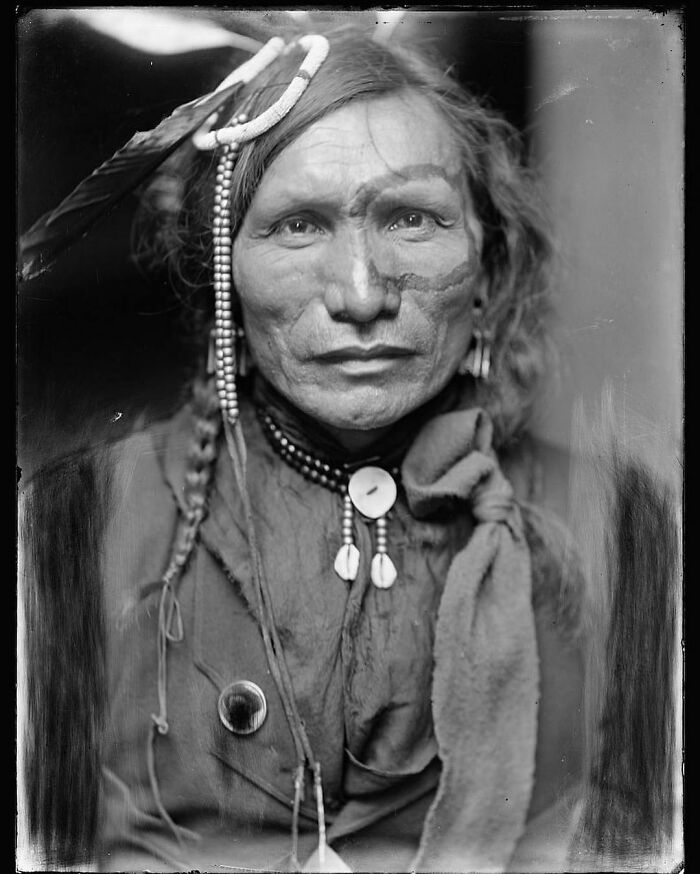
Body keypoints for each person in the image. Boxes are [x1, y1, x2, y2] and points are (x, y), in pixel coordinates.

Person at [19, 24, 678, 874]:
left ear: (488, 261)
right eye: (298, 226)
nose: (361, 293)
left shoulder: (622, 526)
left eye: (412, 218)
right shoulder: (73, 528)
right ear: (223, 277)